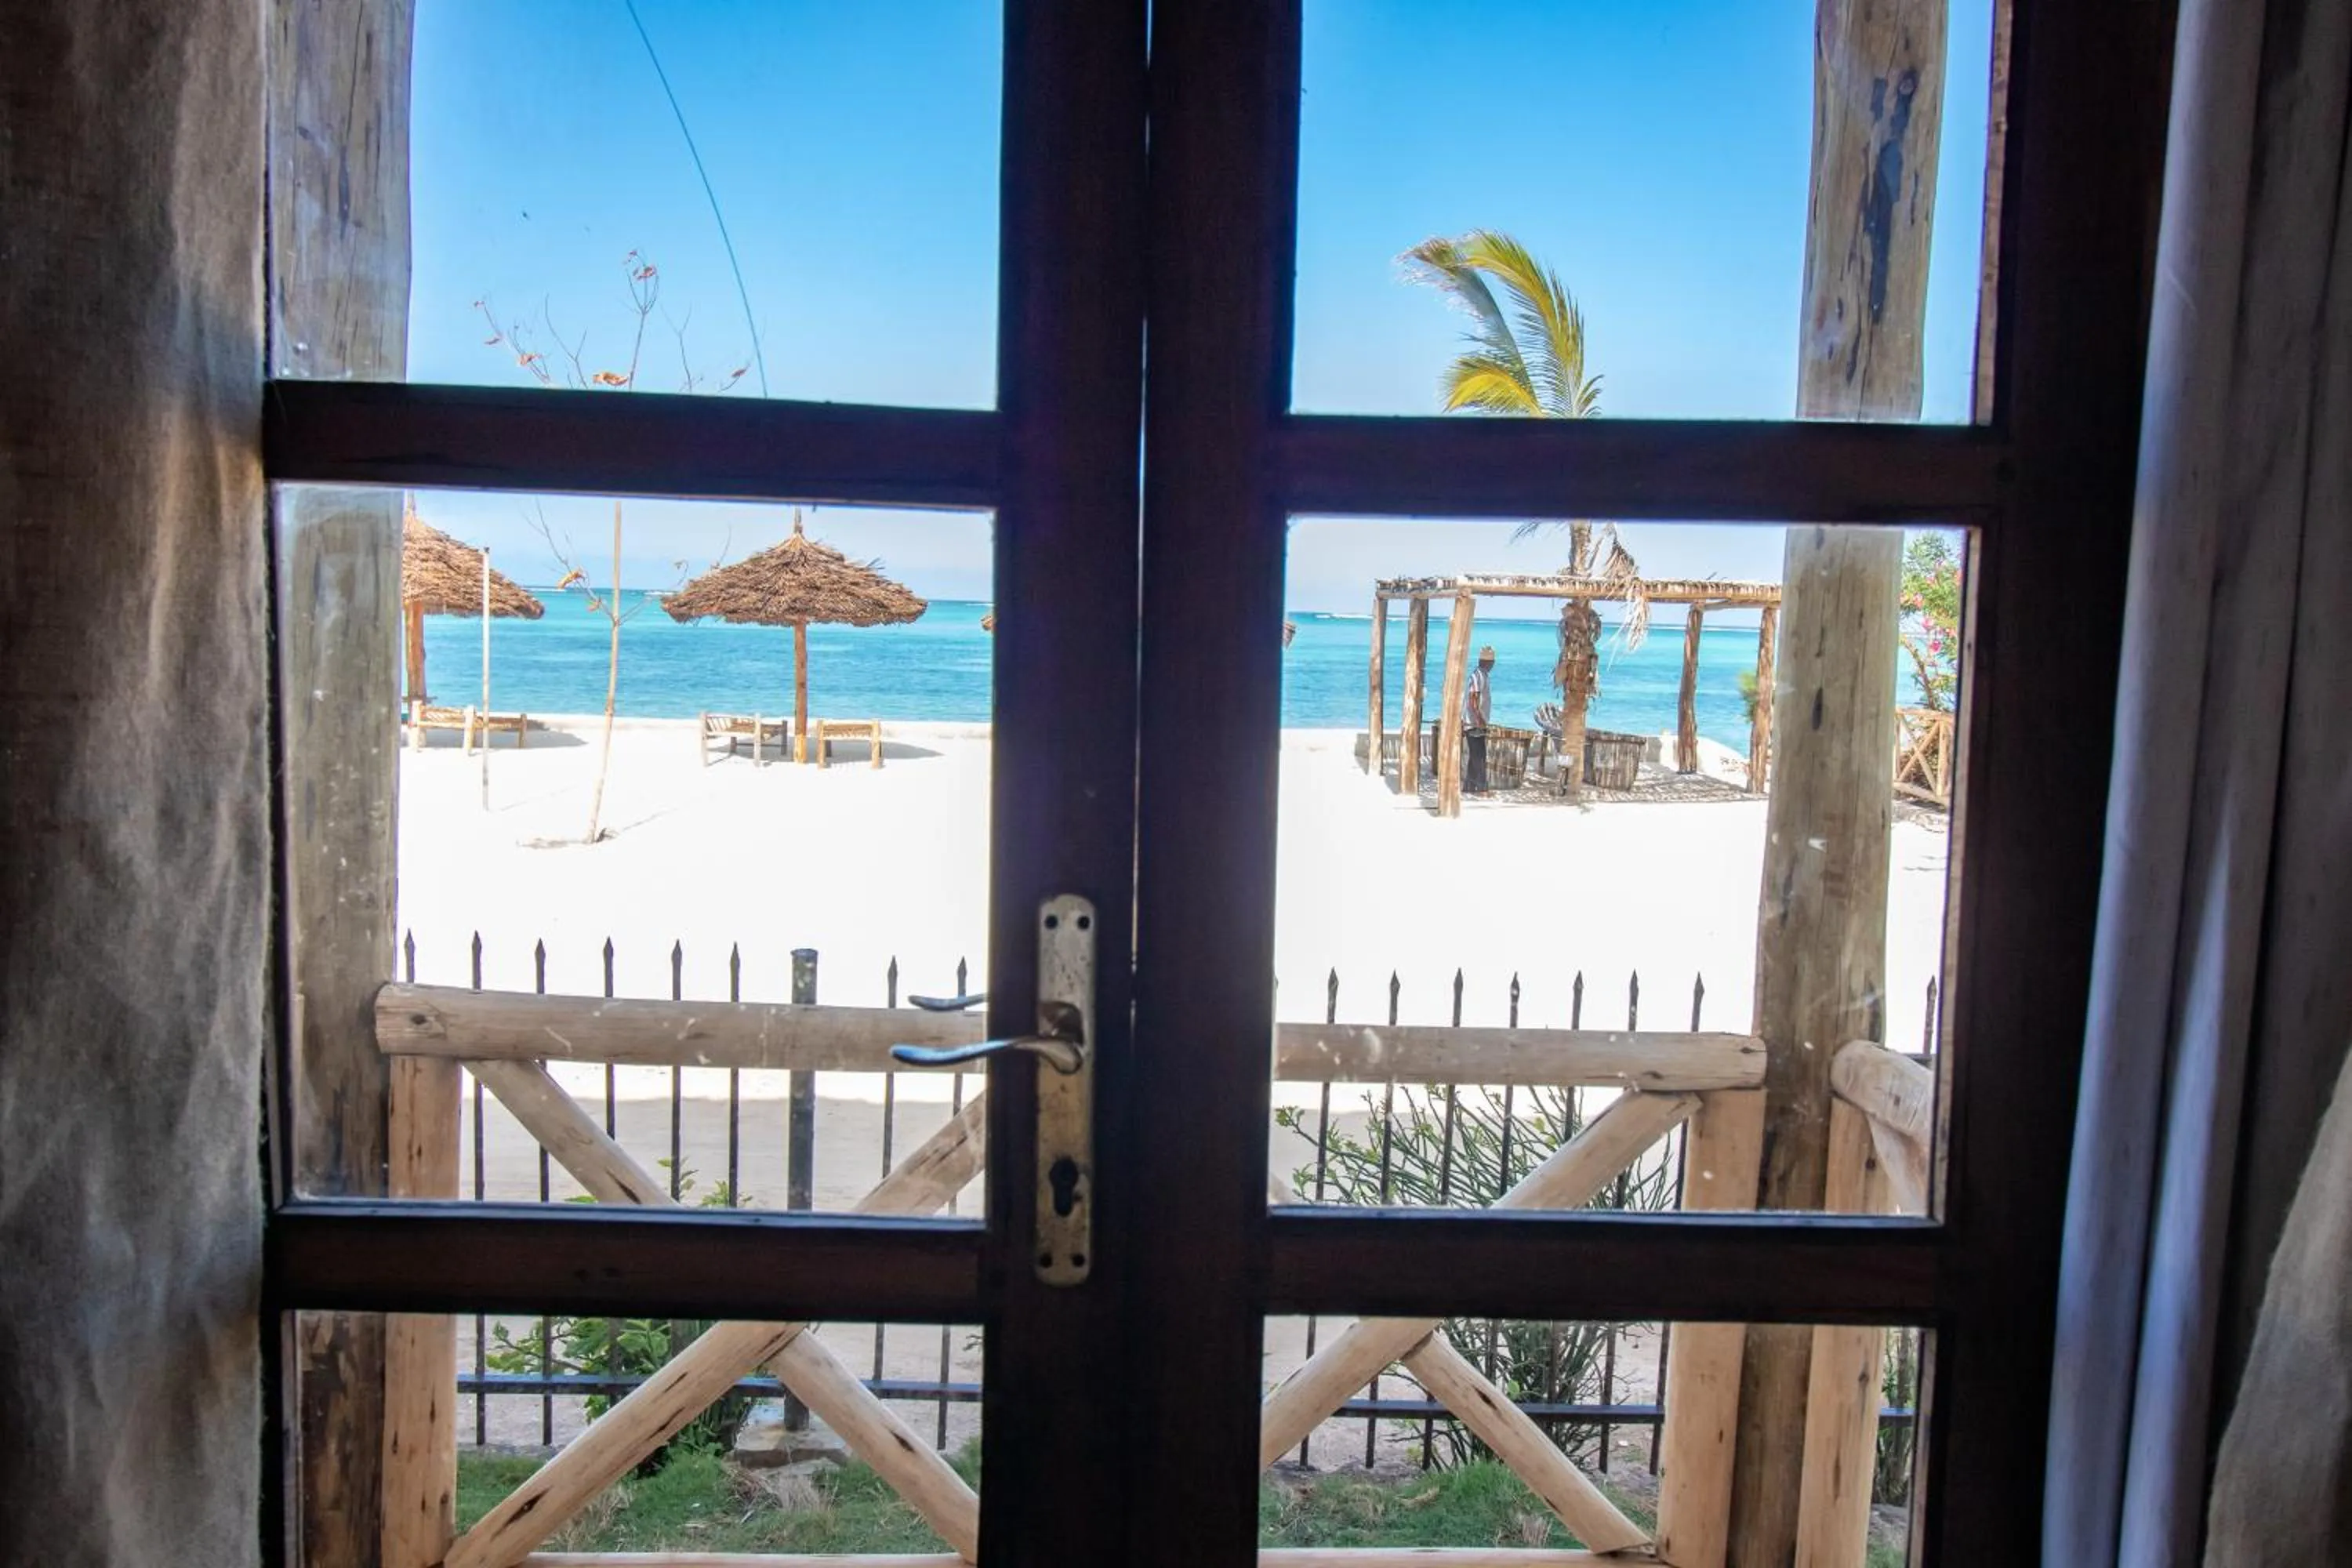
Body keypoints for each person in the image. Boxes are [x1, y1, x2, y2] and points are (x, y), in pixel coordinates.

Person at [1465, 644, 1496, 795]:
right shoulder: (1477, 676)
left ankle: (1469, 787)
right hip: (1474, 723)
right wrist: (1479, 718)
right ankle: (1483, 788)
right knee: (1479, 756)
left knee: (1475, 755)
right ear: (1488, 663)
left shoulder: (1482, 675)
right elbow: (1473, 698)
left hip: (1478, 722)